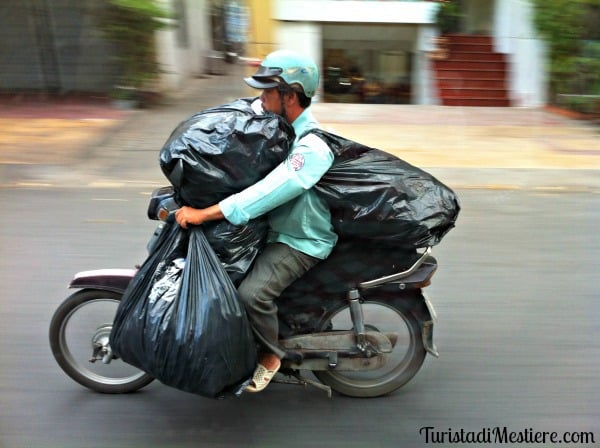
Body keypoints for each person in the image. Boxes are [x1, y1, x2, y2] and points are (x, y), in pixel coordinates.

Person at [174, 50, 338, 392]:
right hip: (271, 229)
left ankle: (271, 355)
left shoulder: (312, 147)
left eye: (267, 93)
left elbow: (268, 191)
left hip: (300, 239)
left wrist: (207, 212)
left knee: (250, 295)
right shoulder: (275, 130)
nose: (260, 100)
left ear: (290, 96)